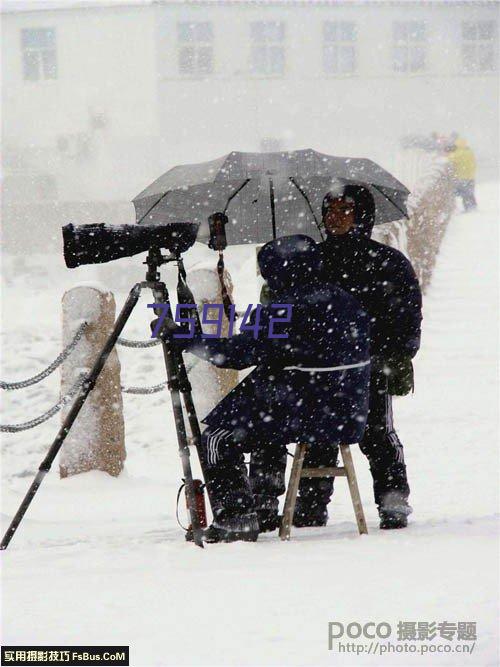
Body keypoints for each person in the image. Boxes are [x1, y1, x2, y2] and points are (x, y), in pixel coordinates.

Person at [164, 235, 371, 543]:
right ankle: (261, 506)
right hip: (346, 415)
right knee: (264, 420)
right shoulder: (347, 301)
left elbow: (234, 355)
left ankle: (237, 518)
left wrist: (189, 339)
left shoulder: (284, 309)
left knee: (216, 439)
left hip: (303, 414)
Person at [294, 183, 421, 530]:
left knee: (377, 433)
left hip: (369, 367)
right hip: (317, 369)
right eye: (330, 211)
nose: (335, 218)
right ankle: (311, 503)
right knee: (318, 436)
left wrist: (387, 356)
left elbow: (407, 316)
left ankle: (393, 499)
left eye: (344, 210)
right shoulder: (311, 262)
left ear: (362, 215)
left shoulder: (387, 263)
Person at [446, 136, 477, 211]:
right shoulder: (470, 152)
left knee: (457, 192)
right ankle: (472, 206)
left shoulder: (456, 153)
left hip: (460, 177)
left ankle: (455, 208)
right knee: (469, 193)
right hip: (470, 177)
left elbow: (449, 160)